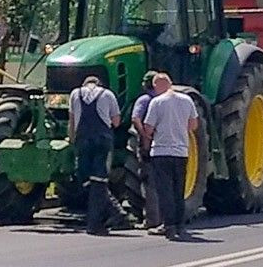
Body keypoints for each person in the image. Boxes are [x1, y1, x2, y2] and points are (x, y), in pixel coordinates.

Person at [69, 75, 129, 235]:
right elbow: (116, 121)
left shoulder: (75, 93)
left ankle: (114, 212)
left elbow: (72, 120)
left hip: (83, 140)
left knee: (85, 178)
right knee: (99, 180)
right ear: (99, 84)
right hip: (102, 140)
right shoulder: (108, 94)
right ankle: (98, 222)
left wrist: (71, 141)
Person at [143, 73, 199, 242]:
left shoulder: (157, 102)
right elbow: (193, 125)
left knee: (165, 191)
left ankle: (169, 226)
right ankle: (180, 225)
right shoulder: (187, 100)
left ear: (157, 86)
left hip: (161, 151)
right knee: (178, 190)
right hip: (181, 152)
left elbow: (148, 127)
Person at [131, 71, 162, 235]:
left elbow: (136, 119)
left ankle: (152, 220)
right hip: (163, 146)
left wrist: (144, 136)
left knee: (148, 183)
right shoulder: (163, 100)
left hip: (148, 145)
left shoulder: (144, 100)